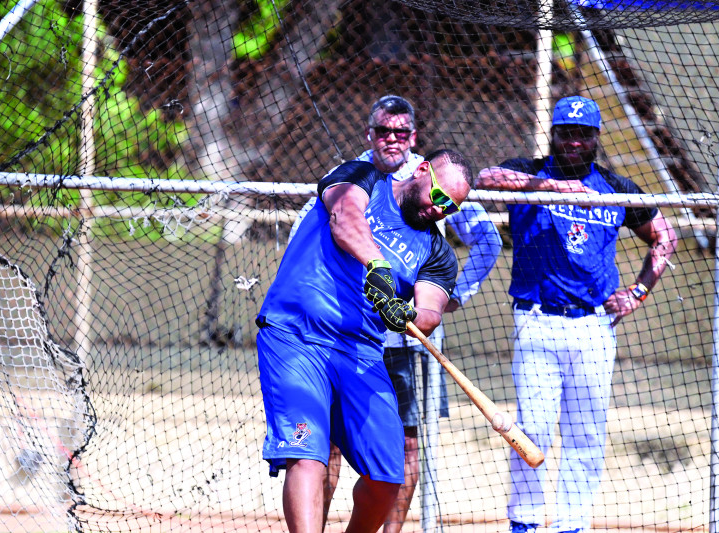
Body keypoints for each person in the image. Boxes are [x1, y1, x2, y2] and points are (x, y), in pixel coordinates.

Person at [289, 94, 502, 532]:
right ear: (370, 133)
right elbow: (308, 231)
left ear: (413, 138)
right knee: (323, 447)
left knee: (401, 448)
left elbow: (488, 240)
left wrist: (448, 300)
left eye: (401, 132)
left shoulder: (439, 178)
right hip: (339, 337)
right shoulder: (359, 176)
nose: (392, 139)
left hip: (404, 346)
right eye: (384, 131)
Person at [476, 95, 678, 533]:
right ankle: (525, 523)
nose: (573, 142)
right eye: (566, 133)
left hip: (593, 325)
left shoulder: (616, 188)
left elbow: (665, 237)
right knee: (531, 430)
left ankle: (572, 525)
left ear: (596, 138)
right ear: (554, 135)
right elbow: (485, 177)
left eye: (583, 134)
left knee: (586, 435)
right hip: (536, 319)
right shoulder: (531, 170)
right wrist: (549, 188)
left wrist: (637, 292)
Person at [256, 147, 474, 533]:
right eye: (439, 196)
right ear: (423, 170)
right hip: (297, 336)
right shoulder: (364, 177)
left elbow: (430, 311)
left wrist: (408, 315)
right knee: (308, 456)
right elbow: (344, 219)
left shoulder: (438, 252)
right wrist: (378, 265)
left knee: (387, 476)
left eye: (451, 208)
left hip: (361, 354)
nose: (440, 209)